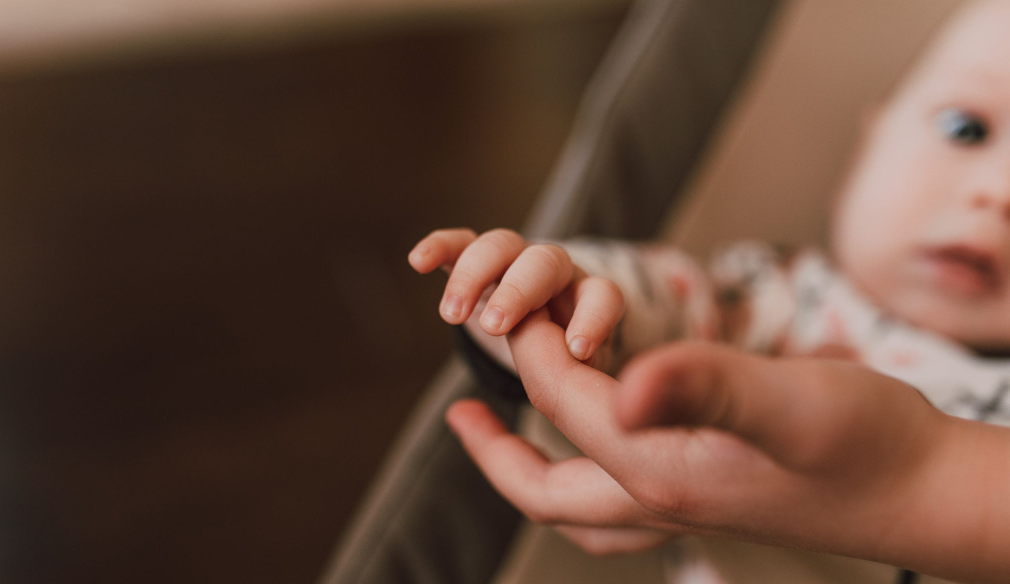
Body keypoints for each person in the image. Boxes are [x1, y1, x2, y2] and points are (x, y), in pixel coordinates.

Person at [408, 1, 1010, 582]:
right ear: (866, 146)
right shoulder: (764, 299)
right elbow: (644, 309)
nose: (998, 192)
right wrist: (546, 303)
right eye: (967, 128)